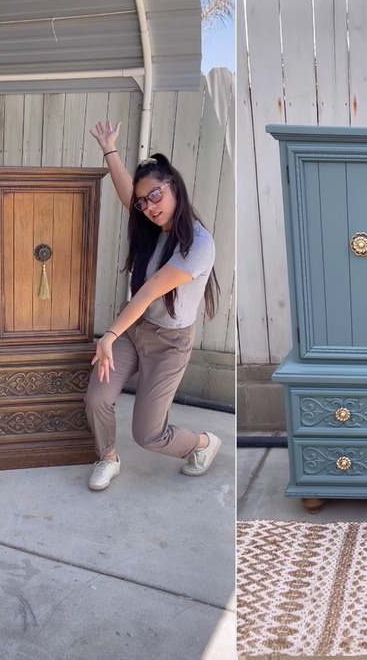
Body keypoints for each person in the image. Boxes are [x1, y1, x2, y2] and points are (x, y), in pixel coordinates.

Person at [84, 119, 222, 491]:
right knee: (97, 397)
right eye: (144, 202)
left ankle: (204, 443)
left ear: (174, 187)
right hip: (137, 331)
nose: (148, 207)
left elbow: (147, 292)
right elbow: (128, 194)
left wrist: (109, 334)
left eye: (156, 196)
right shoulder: (152, 224)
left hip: (169, 344)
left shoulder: (198, 245)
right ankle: (108, 457)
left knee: (149, 434)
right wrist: (109, 148)